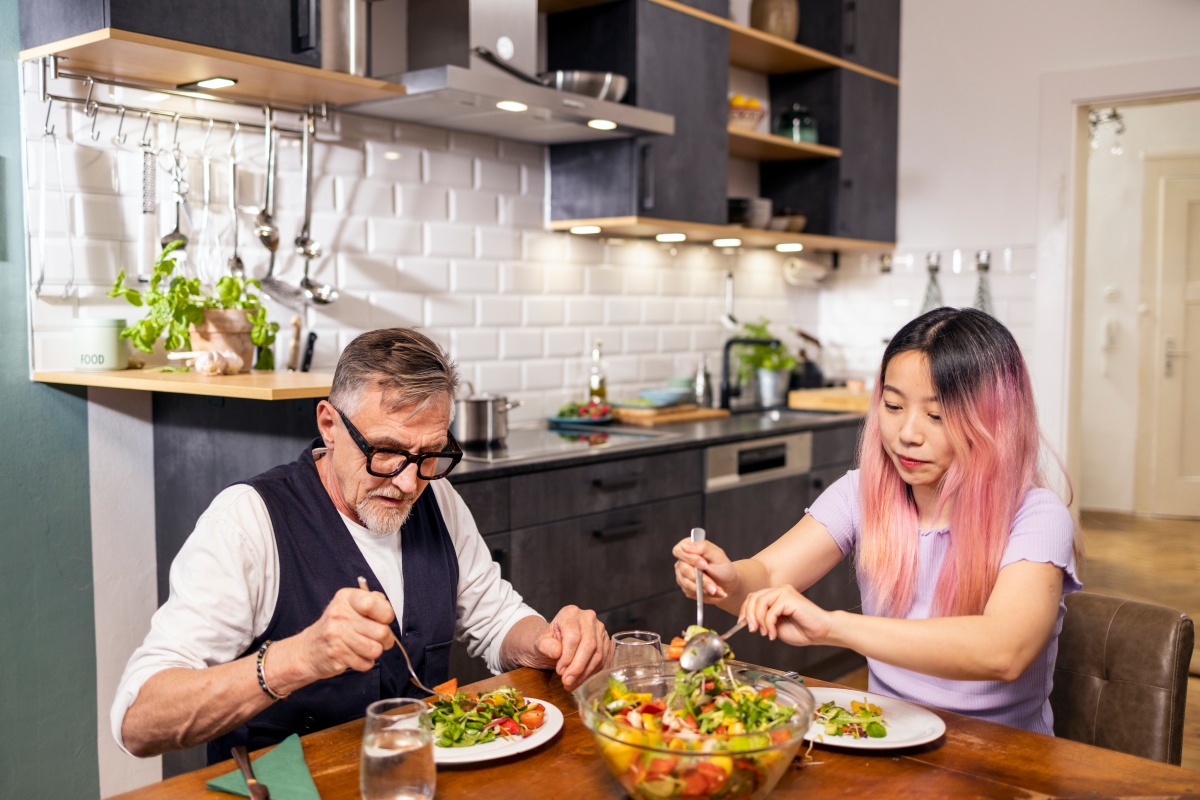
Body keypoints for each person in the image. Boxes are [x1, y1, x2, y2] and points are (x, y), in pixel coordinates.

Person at [114, 328, 613, 762]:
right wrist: (298, 660)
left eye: (429, 454)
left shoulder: (438, 496)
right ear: (329, 424)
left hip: (412, 777)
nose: (407, 482)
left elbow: (498, 620)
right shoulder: (248, 520)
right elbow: (138, 722)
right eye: (387, 452)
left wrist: (550, 642)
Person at [673, 307, 1080, 734]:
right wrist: (728, 579)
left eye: (936, 415)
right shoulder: (860, 493)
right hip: (888, 739)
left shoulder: (1037, 516)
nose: (907, 433)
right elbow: (769, 574)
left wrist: (833, 627)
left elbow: (1004, 650)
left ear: (993, 421)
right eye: (893, 405)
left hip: (1001, 759)